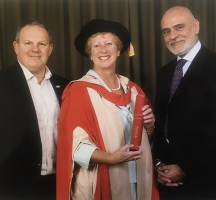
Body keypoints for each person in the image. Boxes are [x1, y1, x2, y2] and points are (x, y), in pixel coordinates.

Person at [57, 19, 160, 200]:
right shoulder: (79, 92)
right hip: (100, 178)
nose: (103, 50)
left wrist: (149, 126)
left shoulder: (134, 90)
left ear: (118, 50)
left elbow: (144, 139)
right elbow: (75, 147)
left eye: (109, 44)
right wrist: (111, 158)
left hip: (138, 177)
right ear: (90, 54)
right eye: (96, 46)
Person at [152, 6, 216, 200]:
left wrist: (185, 167)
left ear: (196, 26)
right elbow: (160, 123)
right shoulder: (165, 72)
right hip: (169, 181)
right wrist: (158, 164)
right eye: (166, 31)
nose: (173, 36)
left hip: (208, 180)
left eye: (179, 27)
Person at [0, 21, 68, 199]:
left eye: (41, 44)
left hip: (57, 184)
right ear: (16, 47)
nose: (35, 49)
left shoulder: (66, 87)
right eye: (28, 43)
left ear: (50, 49)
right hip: (10, 188)